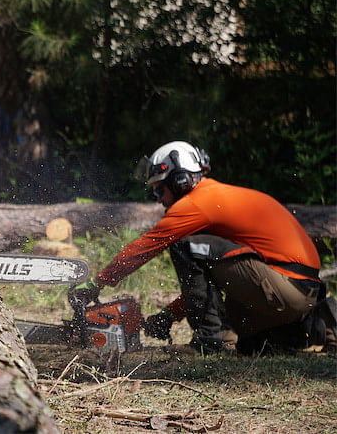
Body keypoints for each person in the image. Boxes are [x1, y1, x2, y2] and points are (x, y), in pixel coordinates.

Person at [72, 141, 335, 355]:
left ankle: (213, 342)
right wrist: (169, 315)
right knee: (252, 347)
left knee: (185, 246)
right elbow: (216, 279)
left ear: (180, 181)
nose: (159, 200)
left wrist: (97, 283)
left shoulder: (196, 204)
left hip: (282, 288)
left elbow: (145, 247)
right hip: (299, 292)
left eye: (159, 191)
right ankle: (311, 327)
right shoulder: (217, 198)